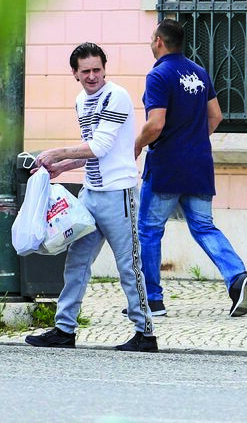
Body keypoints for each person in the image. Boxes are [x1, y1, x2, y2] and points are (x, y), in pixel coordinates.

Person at [26, 43, 157, 352]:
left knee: (129, 266)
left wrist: (54, 153)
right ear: (75, 73)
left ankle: (145, 333)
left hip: (118, 195)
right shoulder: (80, 101)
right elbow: (91, 153)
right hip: (91, 193)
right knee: (77, 262)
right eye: (85, 71)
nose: (92, 76)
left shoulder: (117, 96)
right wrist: (61, 167)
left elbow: (99, 147)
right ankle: (64, 329)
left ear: (104, 68)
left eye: (97, 69)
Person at [134, 18, 247, 317]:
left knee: (149, 231)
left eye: (152, 38)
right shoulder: (199, 73)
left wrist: (136, 144)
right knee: (203, 227)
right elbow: (215, 116)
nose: (152, 43)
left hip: (166, 167)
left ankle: (152, 300)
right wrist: (194, 140)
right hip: (199, 163)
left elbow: (156, 123)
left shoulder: (159, 75)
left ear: (160, 41)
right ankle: (237, 278)